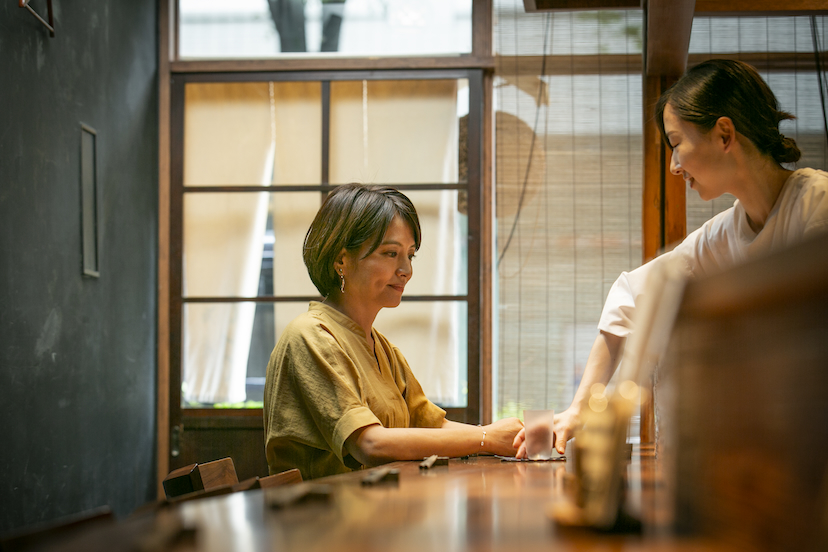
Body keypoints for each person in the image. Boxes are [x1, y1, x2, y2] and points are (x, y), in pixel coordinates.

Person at [515, 59, 828, 458]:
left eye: (677, 143)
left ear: (724, 134)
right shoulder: (723, 233)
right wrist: (579, 409)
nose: (673, 166)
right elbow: (629, 296)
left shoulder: (817, 204)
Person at [264, 183, 524, 479]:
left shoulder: (382, 348)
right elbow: (369, 443)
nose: (406, 270)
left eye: (410, 255)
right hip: (318, 517)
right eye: (390, 253)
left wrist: (502, 437)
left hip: (377, 510)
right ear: (341, 260)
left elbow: (431, 425)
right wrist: (486, 438)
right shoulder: (310, 335)